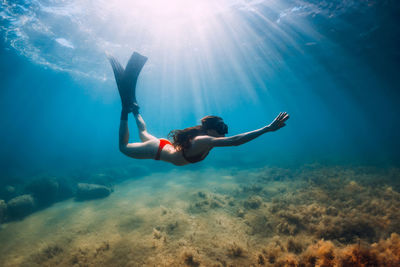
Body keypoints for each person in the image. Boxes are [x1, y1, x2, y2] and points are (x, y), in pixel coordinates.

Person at [108, 52, 289, 166]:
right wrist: (267, 129)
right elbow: (235, 141)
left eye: (224, 129)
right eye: (221, 129)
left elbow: (232, 140)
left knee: (143, 133)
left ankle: (134, 108)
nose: (224, 133)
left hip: (164, 146)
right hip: (158, 149)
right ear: (209, 129)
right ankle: (126, 110)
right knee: (123, 148)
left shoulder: (205, 138)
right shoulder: (204, 140)